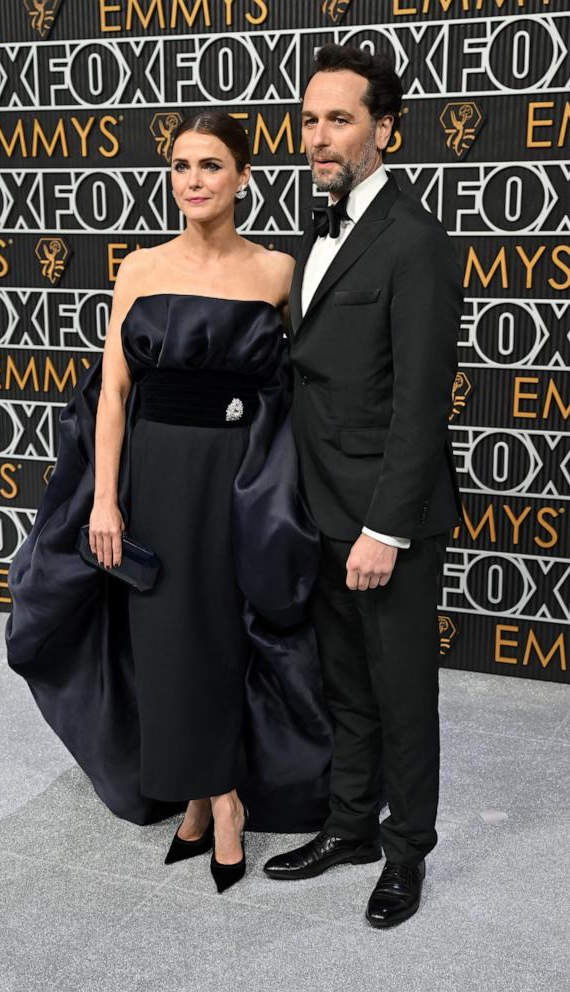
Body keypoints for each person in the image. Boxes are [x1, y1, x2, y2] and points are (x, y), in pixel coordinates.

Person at [5, 111, 332, 894]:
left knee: (218, 636)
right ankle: (207, 798)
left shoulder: (278, 273)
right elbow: (115, 392)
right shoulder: (139, 268)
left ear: (244, 177)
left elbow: (298, 391)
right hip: (151, 472)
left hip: (236, 480)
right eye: (182, 166)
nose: (193, 181)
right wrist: (105, 501)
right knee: (159, 638)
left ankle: (215, 800)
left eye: (211, 166)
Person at [263, 45, 463, 928]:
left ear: (384, 129)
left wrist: (387, 530)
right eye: (309, 119)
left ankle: (406, 851)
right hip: (319, 502)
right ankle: (348, 824)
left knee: (400, 692)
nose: (319, 135)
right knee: (343, 684)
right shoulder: (321, 220)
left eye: (338, 118)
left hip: (386, 517)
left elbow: (420, 403)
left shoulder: (413, 240)